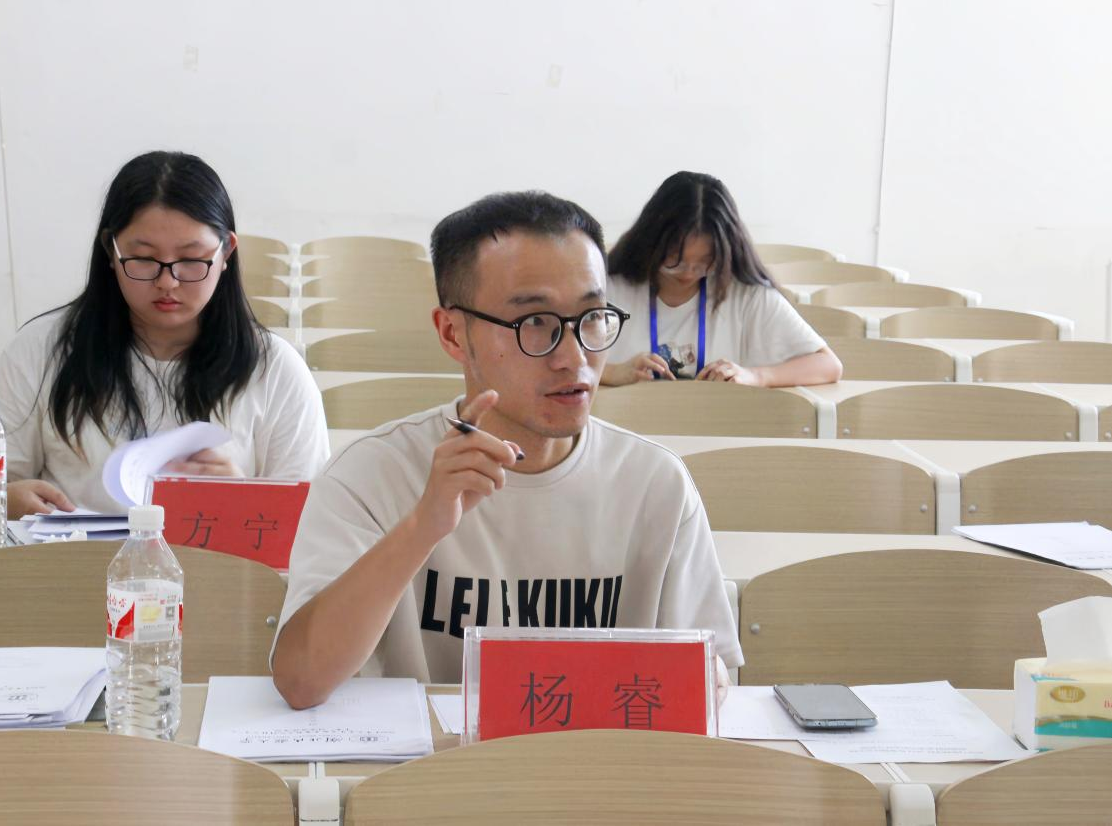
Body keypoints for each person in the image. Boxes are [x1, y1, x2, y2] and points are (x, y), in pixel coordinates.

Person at [272, 191, 742, 710]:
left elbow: (712, 673)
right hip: (430, 761)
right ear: (453, 334)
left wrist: (710, 679)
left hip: (600, 755)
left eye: (592, 317)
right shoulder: (369, 475)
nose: (573, 357)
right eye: (534, 322)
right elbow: (301, 681)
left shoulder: (656, 483)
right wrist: (422, 527)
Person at [0, 151, 329, 517]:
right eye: (144, 259)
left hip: (213, 557)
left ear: (226, 252)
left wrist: (241, 504)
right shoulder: (40, 351)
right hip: (74, 555)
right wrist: (1, 501)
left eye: (191, 260)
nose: (167, 282)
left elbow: (308, 523)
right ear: (111, 251)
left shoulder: (276, 371)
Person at [603, 171, 842, 387]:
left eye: (705, 263)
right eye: (675, 261)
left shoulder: (746, 295)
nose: (688, 273)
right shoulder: (609, 288)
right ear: (651, 243)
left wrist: (754, 376)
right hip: (628, 418)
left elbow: (829, 365)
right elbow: (576, 361)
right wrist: (612, 373)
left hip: (718, 420)